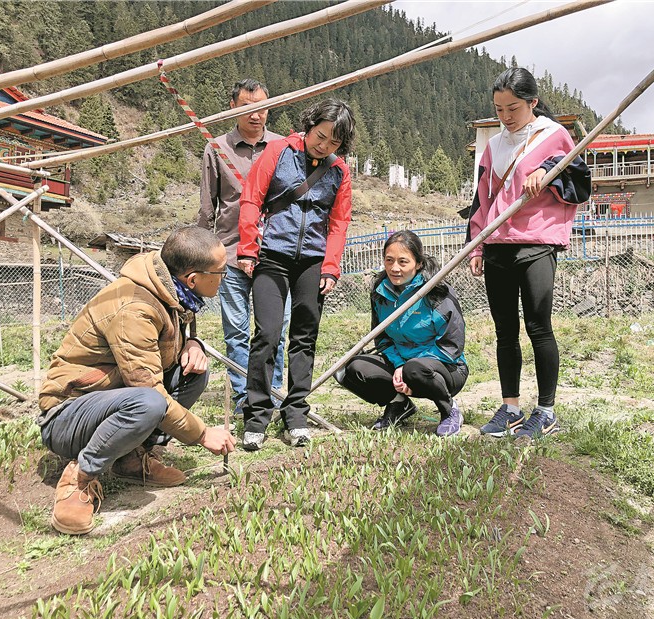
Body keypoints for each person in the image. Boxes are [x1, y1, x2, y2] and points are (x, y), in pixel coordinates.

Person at [38, 227, 237, 535]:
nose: (224, 277)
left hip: (110, 396)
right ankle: (81, 476)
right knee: (149, 402)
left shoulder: (170, 289)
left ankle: (132, 458)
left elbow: (163, 348)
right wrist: (202, 434)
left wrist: (192, 343)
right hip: (68, 415)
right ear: (193, 279)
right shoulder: (135, 309)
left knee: (193, 374)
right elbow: (146, 388)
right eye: (220, 271)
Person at [467, 67, 591, 439]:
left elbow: (580, 181)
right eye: (499, 109)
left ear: (532, 102)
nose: (505, 116)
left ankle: (546, 412)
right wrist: (477, 244)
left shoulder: (553, 135)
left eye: (513, 108)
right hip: (497, 243)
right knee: (505, 330)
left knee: (538, 326)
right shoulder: (493, 146)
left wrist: (548, 170)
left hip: (536, 241)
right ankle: (511, 409)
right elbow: (482, 198)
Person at [237, 98, 355, 451]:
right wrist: (247, 248)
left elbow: (339, 223)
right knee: (267, 334)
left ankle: (296, 416)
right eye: (320, 136)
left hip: (313, 263)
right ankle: (256, 417)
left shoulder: (339, 171)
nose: (324, 145)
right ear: (309, 125)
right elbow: (251, 199)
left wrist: (331, 267)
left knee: (304, 337)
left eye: (334, 142)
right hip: (272, 255)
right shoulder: (277, 152)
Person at [198, 79, 289, 417]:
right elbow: (208, 207)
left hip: (276, 253)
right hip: (232, 253)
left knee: (275, 329)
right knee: (236, 331)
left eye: (262, 107)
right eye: (248, 107)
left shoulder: (283, 147)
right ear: (233, 107)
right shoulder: (216, 148)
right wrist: (200, 250)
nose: (256, 115)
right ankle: (243, 397)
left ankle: (273, 395)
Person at [337, 230, 467, 436]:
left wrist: (408, 368)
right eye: (389, 260)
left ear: (419, 263)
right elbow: (382, 338)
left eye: (403, 262)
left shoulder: (437, 291)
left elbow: (451, 345)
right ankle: (399, 404)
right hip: (402, 365)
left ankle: (449, 410)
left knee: (415, 369)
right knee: (351, 369)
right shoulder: (380, 292)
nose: (394, 268)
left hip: (444, 367)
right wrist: (398, 365)